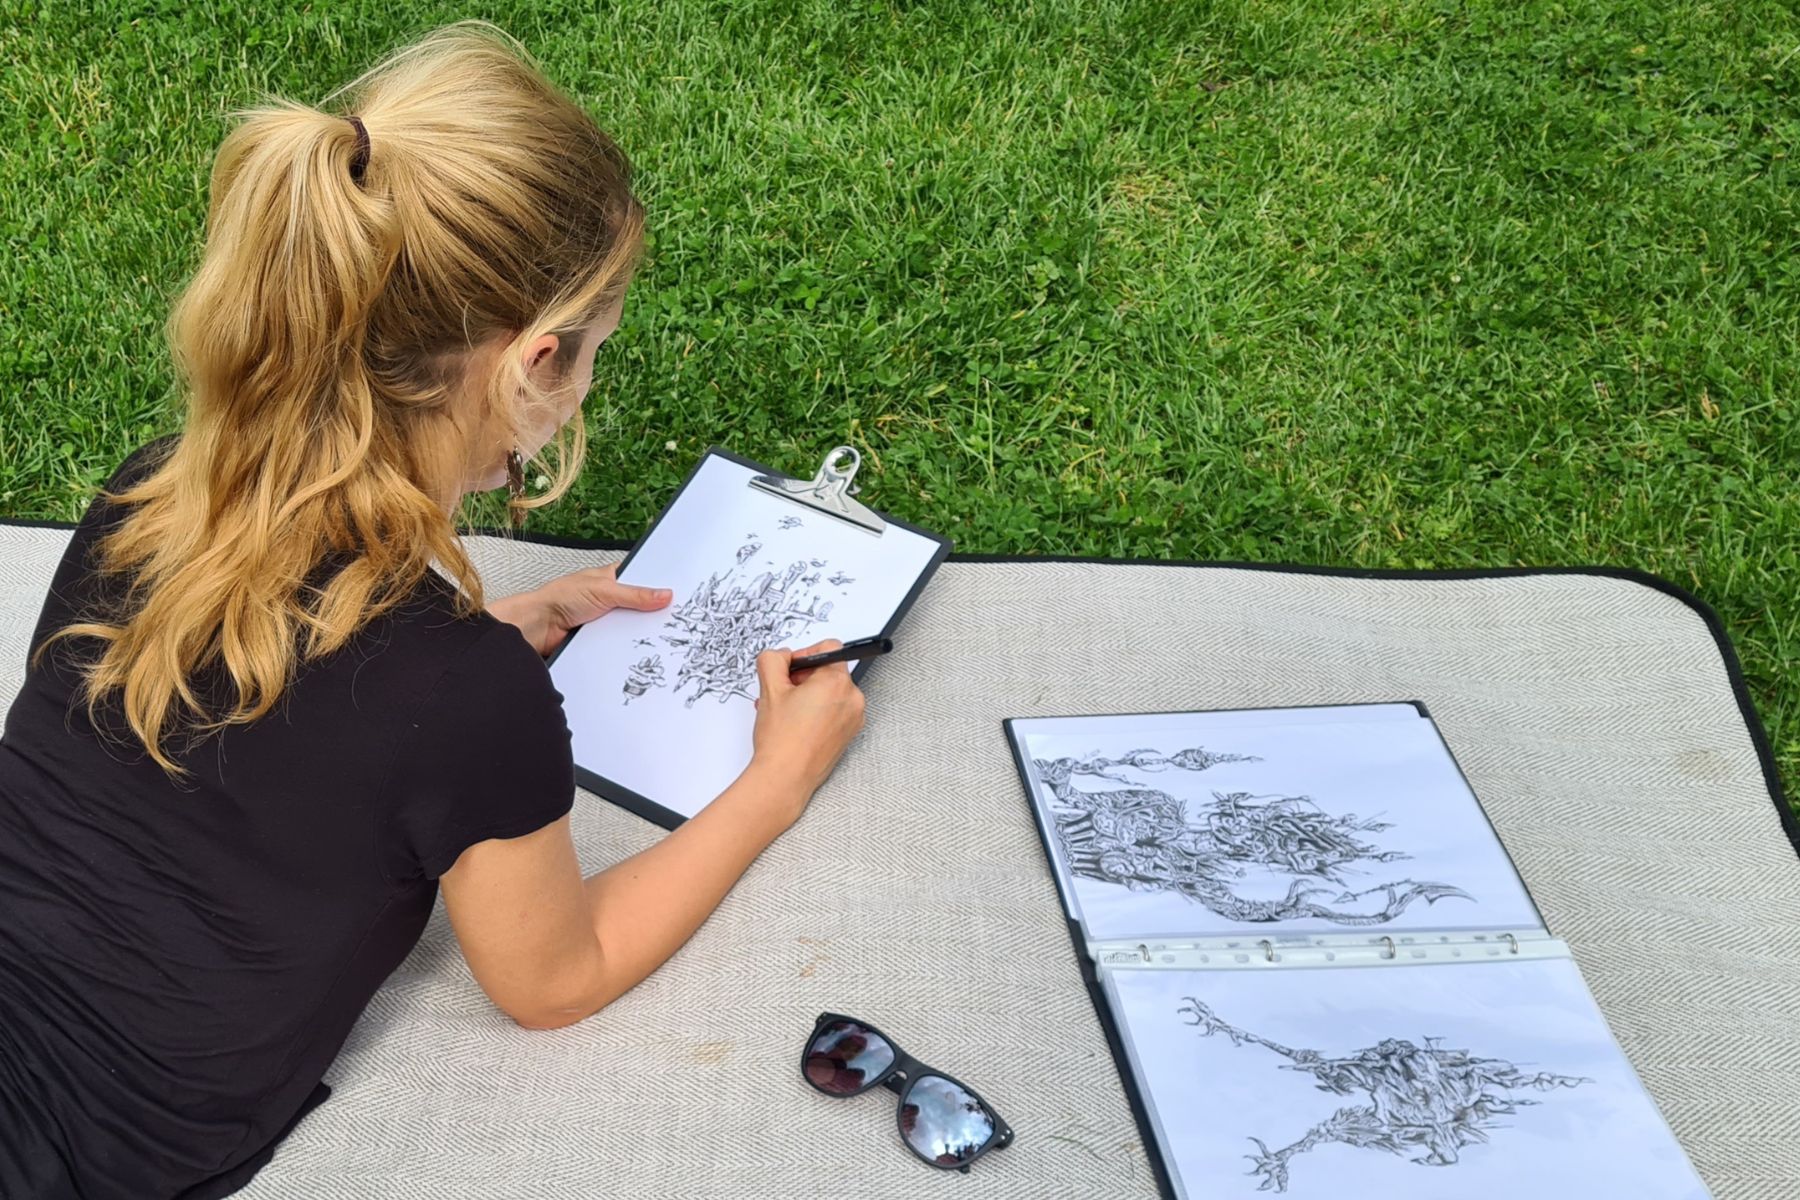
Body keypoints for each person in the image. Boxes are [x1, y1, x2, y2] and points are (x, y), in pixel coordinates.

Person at [0, 22, 864, 1200]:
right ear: (534, 364)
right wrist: (779, 777)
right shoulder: (463, 700)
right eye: (596, 353)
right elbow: (554, 979)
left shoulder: (146, 493)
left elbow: (289, 710)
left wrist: (491, 640)